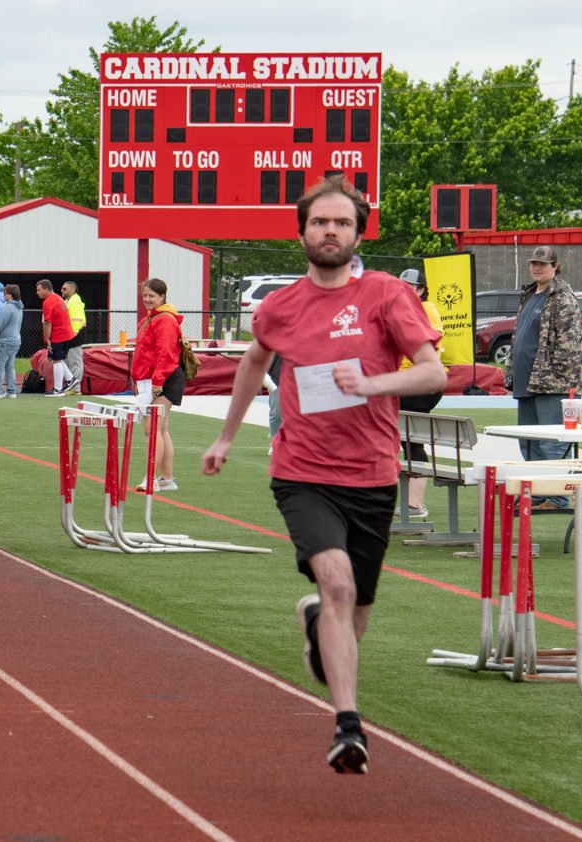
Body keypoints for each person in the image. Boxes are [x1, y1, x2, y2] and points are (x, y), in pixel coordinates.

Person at [200, 176, 444, 775]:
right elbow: (253, 362)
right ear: (302, 232)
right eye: (319, 222)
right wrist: (227, 435)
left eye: (341, 223)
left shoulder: (386, 295)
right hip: (303, 472)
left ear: (357, 233)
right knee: (336, 584)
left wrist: (373, 384)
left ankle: (319, 624)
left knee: (352, 610)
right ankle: (347, 726)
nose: (329, 231)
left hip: (373, 474)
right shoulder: (280, 307)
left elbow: (434, 373)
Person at [507, 245, 582, 509]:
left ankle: (558, 496)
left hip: (551, 385)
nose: (537, 267)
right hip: (526, 381)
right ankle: (538, 492)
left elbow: (570, 344)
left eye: (543, 263)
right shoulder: (528, 295)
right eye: (534, 263)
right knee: (528, 442)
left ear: (555, 266)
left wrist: (558, 377)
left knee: (552, 442)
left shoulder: (562, 297)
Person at [396, 268, 446, 518]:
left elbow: (425, 345)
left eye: (410, 287)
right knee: (405, 441)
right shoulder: (405, 309)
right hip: (409, 382)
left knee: (411, 441)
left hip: (416, 383)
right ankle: (411, 503)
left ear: (420, 289)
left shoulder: (425, 310)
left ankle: (415, 504)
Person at [131, 278, 185, 491]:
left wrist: (157, 382)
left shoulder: (164, 320)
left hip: (165, 379)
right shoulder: (151, 318)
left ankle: (151, 478)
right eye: (145, 295)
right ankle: (167, 479)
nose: (147, 299)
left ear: (162, 296)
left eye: (152, 295)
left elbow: (166, 353)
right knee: (160, 429)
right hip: (155, 379)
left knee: (151, 428)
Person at [35, 279, 76, 396]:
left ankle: (58, 389)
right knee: (55, 358)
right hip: (66, 333)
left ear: (46, 289)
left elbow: (47, 322)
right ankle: (70, 379)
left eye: (39, 290)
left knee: (56, 360)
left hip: (59, 334)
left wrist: (47, 339)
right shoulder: (57, 298)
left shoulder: (48, 302)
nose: (37, 292)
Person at [0, 283, 22, 399]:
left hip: (5, 341)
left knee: (0, 366)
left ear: (10, 295)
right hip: (15, 340)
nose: (3, 295)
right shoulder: (19, 307)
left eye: (5, 293)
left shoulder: (7, 307)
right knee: (10, 367)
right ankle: (11, 391)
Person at [61, 281, 87, 394]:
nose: (62, 290)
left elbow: (76, 320)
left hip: (73, 335)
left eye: (64, 289)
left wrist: (73, 334)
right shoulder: (69, 301)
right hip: (69, 335)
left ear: (72, 290)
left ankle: (75, 388)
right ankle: (71, 387)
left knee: (75, 362)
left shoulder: (74, 302)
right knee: (68, 361)